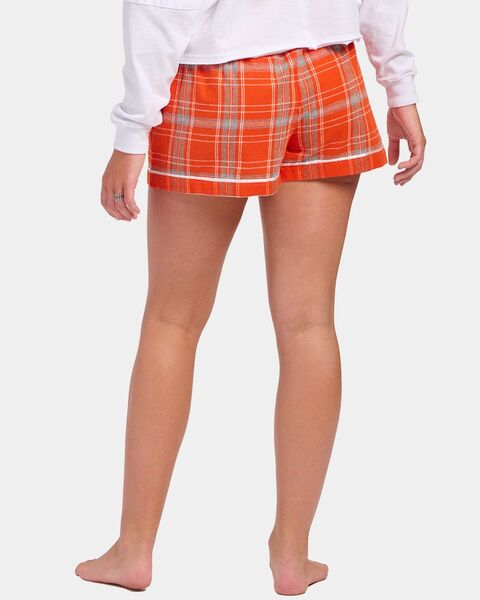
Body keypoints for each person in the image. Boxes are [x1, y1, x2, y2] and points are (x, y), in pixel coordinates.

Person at [76, 0, 426, 594]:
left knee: (172, 321)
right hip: (330, 75)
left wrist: (132, 131)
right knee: (310, 323)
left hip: (220, 81)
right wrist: (400, 87)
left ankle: (134, 550)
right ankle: (291, 555)